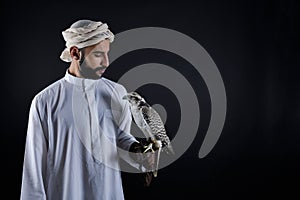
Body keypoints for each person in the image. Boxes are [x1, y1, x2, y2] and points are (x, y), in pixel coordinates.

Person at [20, 19, 153, 200]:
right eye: (98, 54)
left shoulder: (117, 93)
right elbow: (33, 168)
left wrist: (140, 153)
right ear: (75, 53)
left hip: (108, 192)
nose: (106, 62)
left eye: (107, 54)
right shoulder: (45, 101)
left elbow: (120, 138)